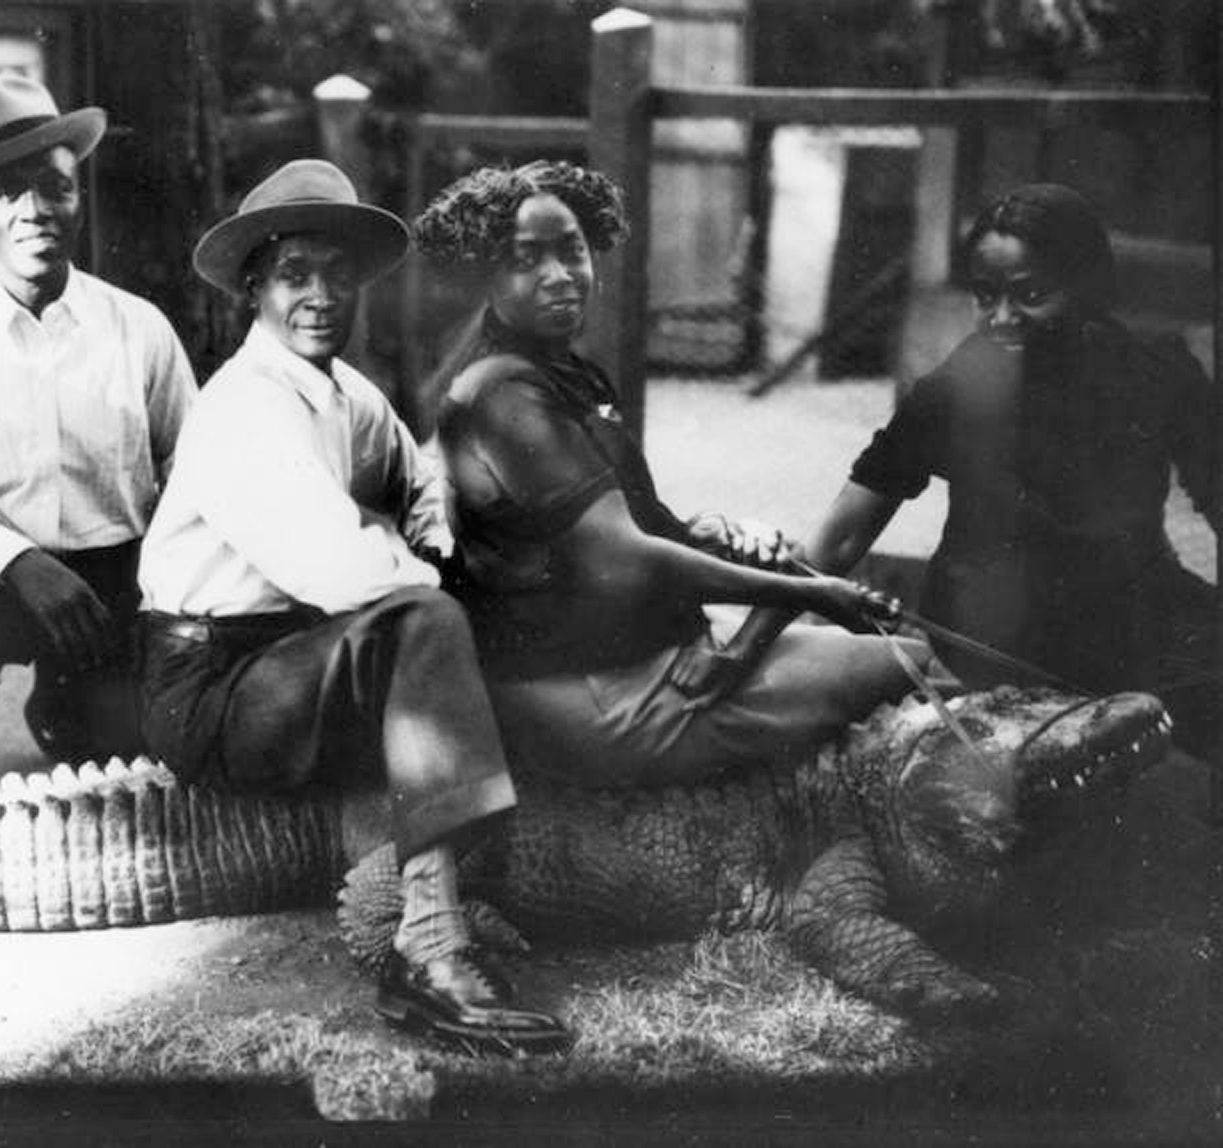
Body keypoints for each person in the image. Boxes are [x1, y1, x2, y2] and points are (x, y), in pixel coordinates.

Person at [137, 159, 570, 1055]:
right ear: (254, 288)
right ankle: (429, 949)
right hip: (211, 686)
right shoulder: (243, 406)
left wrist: (437, 548)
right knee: (430, 620)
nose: (321, 296)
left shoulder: (345, 394)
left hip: (290, 657)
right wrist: (430, 583)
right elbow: (340, 572)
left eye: (339, 274)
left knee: (465, 607)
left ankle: (467, 877)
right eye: (294, 274)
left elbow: (420, 482)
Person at [412, 160, 956, 788]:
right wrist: (816, 594)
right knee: (911, 665)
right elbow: (624, 555)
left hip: (631, 652)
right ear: (484, 274)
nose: (559, 275)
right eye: (524, 259)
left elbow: (606, 529)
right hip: (592, 695)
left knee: (891, 659)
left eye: (572, 250)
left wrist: (704, 532)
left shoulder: (567, 373)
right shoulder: (503, 394)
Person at [759, 182, 1218, 755]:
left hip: (1130, 611)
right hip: (994, 629)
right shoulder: (958, 386)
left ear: (1087, 285)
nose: (1001, 319)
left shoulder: (1156, 371)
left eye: (1030, 295)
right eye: (984, 295)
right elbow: (844, 532)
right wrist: (745, 646)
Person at [0, 73, 197, 779]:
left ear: (78, 199)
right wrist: (18, 560)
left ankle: (66, 702)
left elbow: (194, 472)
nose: (35, 210)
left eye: (55, 187)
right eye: (7, 192)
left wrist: (159, 582)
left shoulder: (138, 329)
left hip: (115, 580)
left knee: (119, 771)